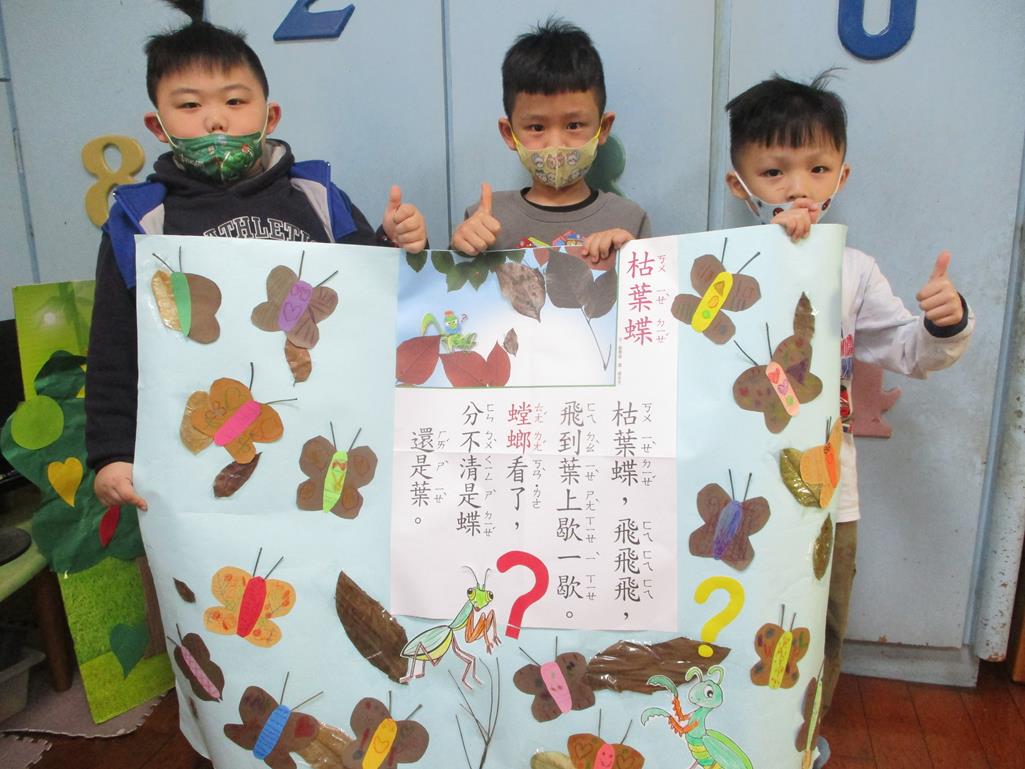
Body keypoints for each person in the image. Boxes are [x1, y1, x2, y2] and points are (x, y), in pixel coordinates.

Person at [86, 2, 427, 511]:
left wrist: (394, 241)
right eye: (189, 106)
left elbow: (365, 294)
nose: (216, 119)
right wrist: (112, 453)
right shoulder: (142, 220)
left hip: (321, 417)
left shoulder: (315, 195)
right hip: (206, 445)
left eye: (235, 100)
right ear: (158, 126)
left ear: (270, 116)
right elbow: (114, 346)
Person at [724, 73, 974, 767]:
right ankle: (736, 736)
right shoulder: (722, 263)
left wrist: (942, 322)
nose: (797, 187)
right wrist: (775, 253)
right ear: (739, 183)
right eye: (773, 172)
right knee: (741, 613)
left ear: (843, 174)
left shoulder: (854, 268)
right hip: (740, 484)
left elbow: (907, 350)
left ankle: (800, 739)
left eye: (817, 168)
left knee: (821, 621)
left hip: (832, 493)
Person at [451, 19, 650, 265]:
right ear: (508, 133)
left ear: (604, 128)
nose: (556, 145)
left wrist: (630, 258)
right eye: (537, 127)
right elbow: (450, 284)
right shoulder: (484, 220)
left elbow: (655, 287)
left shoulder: (629, 219)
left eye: (574, 125)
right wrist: (459, 249)